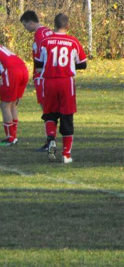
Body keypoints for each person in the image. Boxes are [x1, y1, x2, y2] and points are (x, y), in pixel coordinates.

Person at [36, 13, 87, 164]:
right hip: (66, 82)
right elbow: (83, 63)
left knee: (50, 113)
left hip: (49, 82)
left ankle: (51, 138)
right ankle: (66, 155)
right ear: (68, 26)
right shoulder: (72, 41)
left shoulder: (45, 41)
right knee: (67, 116)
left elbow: (38, 65)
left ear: (54, 25)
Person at [20, 10, 53, 152]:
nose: (25, 29)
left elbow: (41, 55)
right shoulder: (49, 31)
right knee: (49, 108)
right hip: (51, 75)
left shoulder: (39, 34)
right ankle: (51, 139)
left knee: (46, 108)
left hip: (42, 76)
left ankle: (50, 140)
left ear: (31, 22)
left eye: (25, 25)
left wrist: (40, 71)